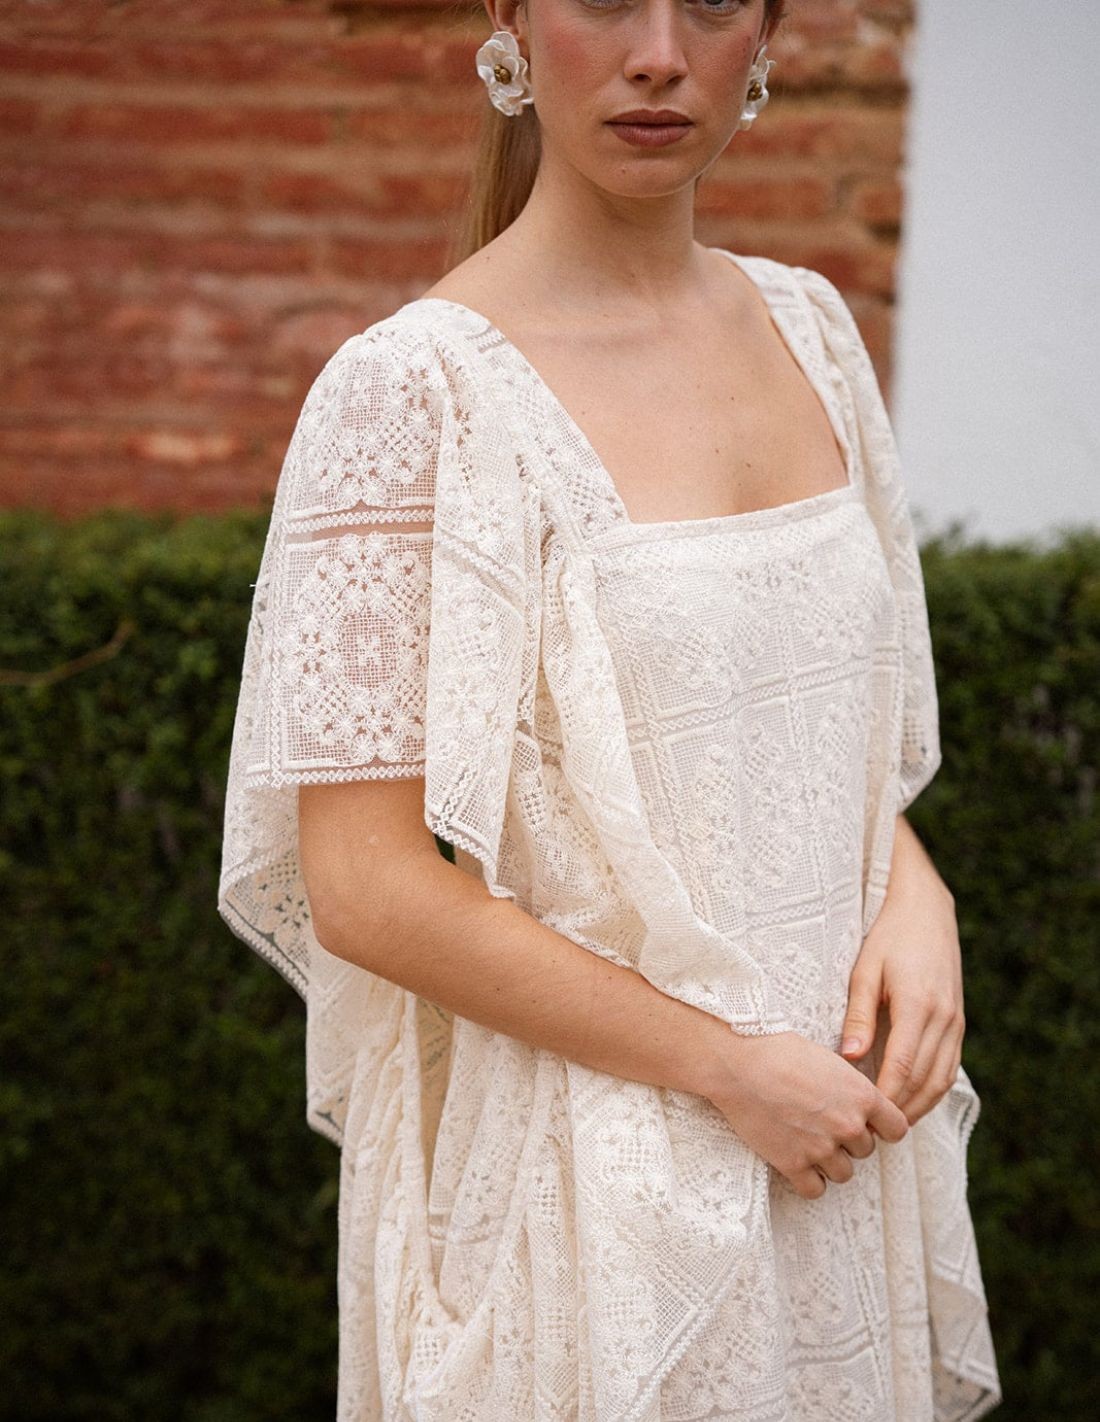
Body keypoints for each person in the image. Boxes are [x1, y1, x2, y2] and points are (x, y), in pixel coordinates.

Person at [218, 1, 1003, 1417]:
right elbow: (364, 886)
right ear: (510, 17)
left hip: (840, 1146)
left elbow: (809, 727)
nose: (658, 51)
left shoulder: (812, 332)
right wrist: (727, 1068)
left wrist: (915, 891)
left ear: (768, 28)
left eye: (710, 0)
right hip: (590, 1195)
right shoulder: (410, 395)